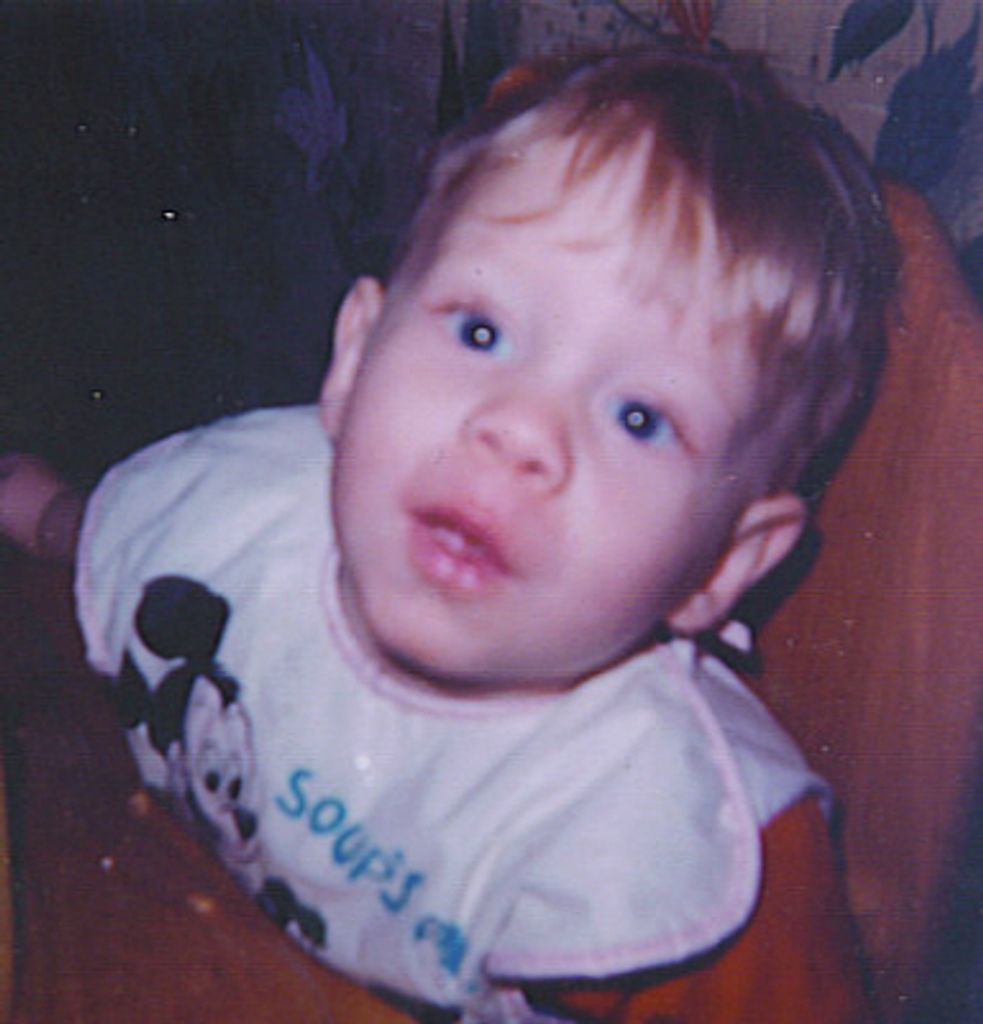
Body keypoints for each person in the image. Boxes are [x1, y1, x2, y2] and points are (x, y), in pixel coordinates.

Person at [0, 45, 895, 1022]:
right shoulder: (233, 504)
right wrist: (49, 515)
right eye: (480, 331)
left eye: (639, 416)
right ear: (353, 360)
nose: (519, 430)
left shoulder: (703, 853)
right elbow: (129, 532)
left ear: (721, 564)